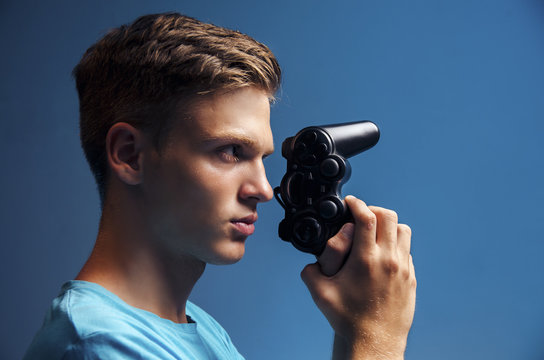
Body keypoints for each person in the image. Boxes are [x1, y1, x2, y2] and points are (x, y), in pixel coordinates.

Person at [24, 12, 416, 360]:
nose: (263, 190)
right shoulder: (99, 345)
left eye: (262, 159)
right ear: (130, 156)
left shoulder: (195, 328)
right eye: (230, 152)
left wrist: (355, 333)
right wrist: (377, 337)